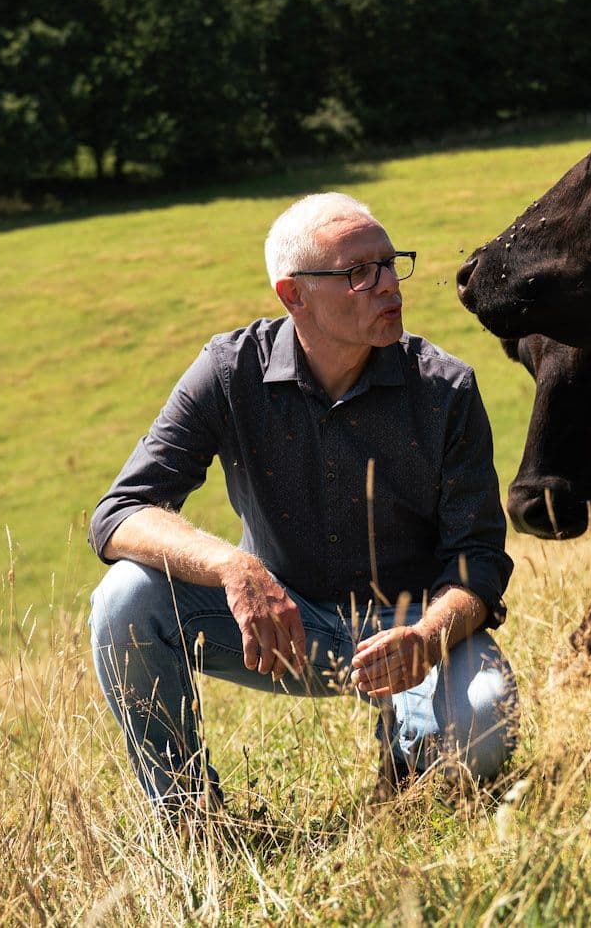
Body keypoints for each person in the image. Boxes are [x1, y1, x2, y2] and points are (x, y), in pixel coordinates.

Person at [88, 192, 518, 817]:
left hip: (412, 632)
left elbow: (478, 560)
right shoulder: (230, 371)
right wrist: (235, 569)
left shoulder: (445, 389)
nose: (388, 285)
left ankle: (406, 757)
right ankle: (189, 820)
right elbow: (121, 512)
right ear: (295, 296)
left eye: (390, 263)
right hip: (280, 627)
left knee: (480, 730)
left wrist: (426, 635)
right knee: (124, 598)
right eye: (358, 273)